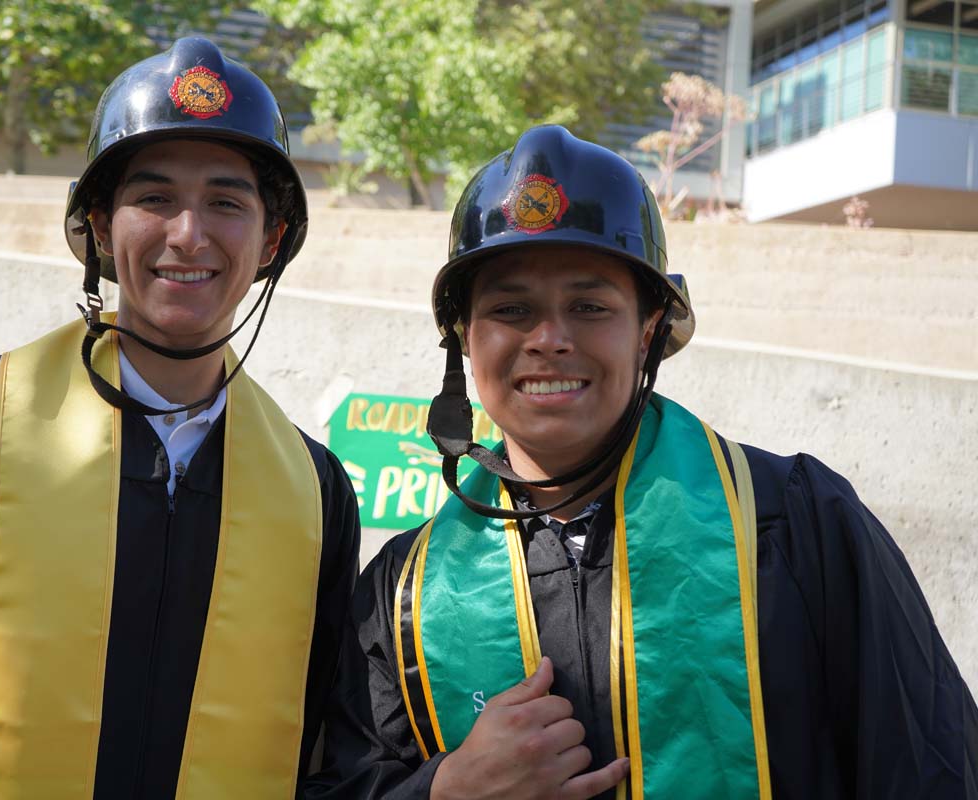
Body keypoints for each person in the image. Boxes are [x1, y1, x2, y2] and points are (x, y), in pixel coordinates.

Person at [305, 125, 977, 799]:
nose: (549, 339)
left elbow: (932, 768)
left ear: (650, 329)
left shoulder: (794, 525)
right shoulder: (405, 597)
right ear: (465, 340)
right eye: (511, 308)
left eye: (590, 306)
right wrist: (444, 790)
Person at [0, 37, 359, 799]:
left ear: (271, 240)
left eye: (227, 201)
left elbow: (322, 756)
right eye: (153, 198)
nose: (189, 234)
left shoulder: (312, 492)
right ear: (99, 223)